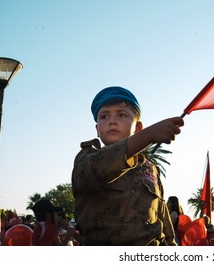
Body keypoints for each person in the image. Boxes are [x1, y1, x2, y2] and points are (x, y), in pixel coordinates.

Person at [72, 86, 184, 246]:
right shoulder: (86, 157)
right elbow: (96, 169)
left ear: (138, 127)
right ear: (97, 129)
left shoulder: (150, 168)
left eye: (122, 115)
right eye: (104, 116)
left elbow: (162, 218)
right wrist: (149, 135)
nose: (112, 121)